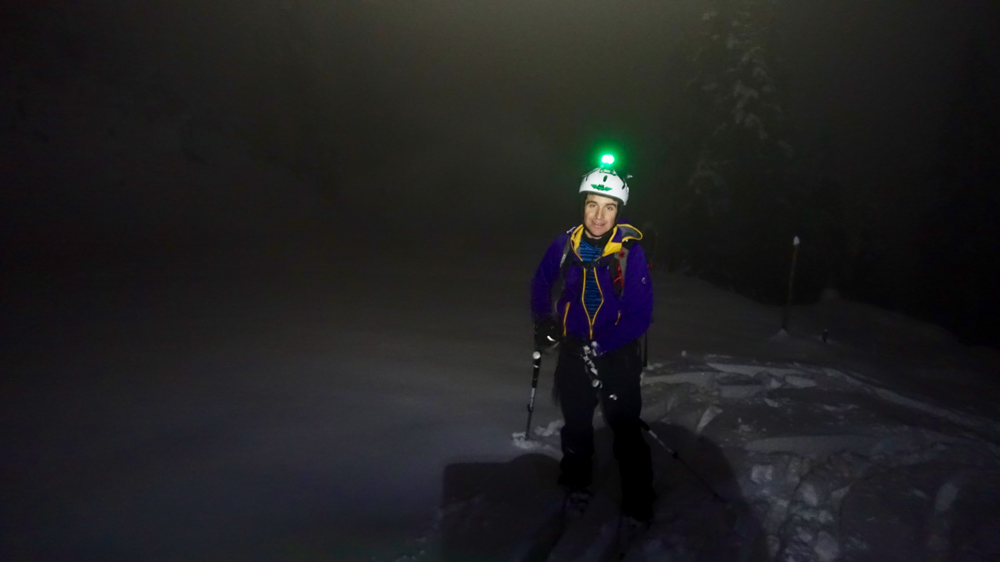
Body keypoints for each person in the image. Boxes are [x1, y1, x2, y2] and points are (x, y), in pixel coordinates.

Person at [530, 161, 655, 527]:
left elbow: (640, 316)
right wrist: (544, 321)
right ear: (582, 205)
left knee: (625, 428)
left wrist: (600, 346)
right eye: (592, 204)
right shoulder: (564, 245)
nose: (599, 216)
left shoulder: (628, 253)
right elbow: (541, 283)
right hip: (573, 349)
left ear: (619, 211)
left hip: (616, 353)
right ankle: (576, 481)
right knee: (576, 423)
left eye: (609, 207)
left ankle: (638, 498)